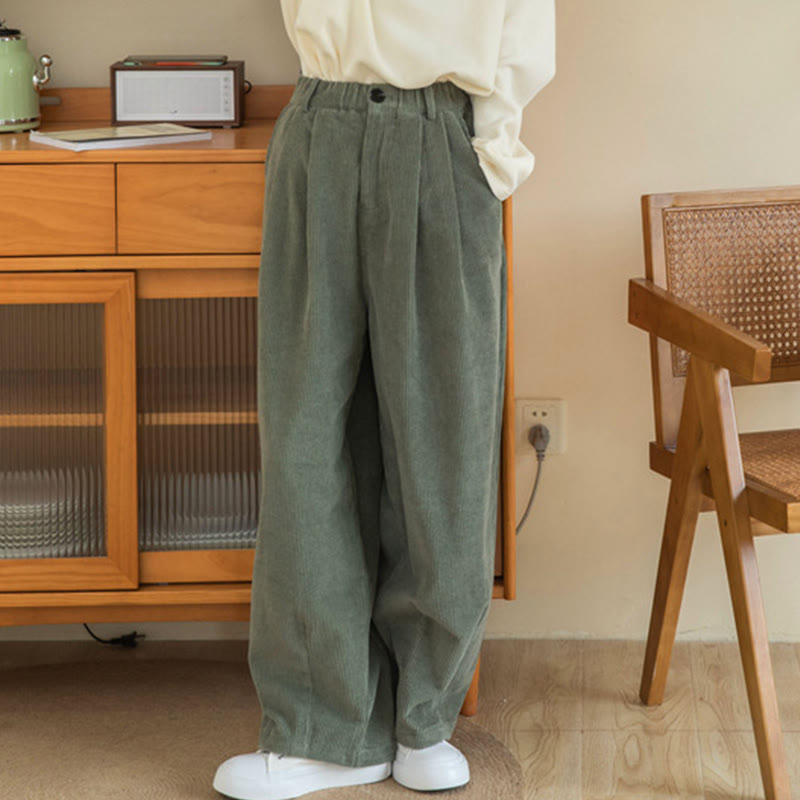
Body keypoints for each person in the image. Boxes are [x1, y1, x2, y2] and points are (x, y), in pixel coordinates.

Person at [213, 1, 555, 798]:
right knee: (306, 436)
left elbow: (524, 23)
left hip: (442, 135)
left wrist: (488, 153)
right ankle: (322, 729)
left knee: (443, 441)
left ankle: (422, 720)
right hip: (319, 123)